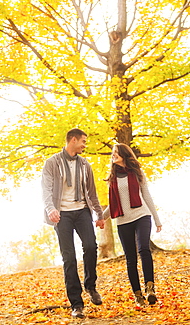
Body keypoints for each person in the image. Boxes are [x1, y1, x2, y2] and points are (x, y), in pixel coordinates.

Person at [42, 128, 105, 319]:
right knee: (68, 258)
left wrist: (99, 214)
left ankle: (91, 287)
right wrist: (51, 209)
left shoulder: (85, 164)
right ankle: (76, 304)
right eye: (83, 141)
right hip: (62, 215)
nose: (85, 145)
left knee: (90, 247)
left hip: (82, 211)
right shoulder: (52, 163)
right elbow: (46, 190)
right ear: (74, 140)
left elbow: (92, 192)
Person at [103, 143, 162, 307]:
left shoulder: (137, 172)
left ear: (124, 154)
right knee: (130, 259)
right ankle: (137, 295)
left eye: (116, 152)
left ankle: (150, 288)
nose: (113, 155)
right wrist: (101, 218)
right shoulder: (112, 178)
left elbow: (147, 196)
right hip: (123, 221)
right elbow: (112, 204)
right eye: (112, 153)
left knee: (144, 248)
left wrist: (157, 220)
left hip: (141, 215)